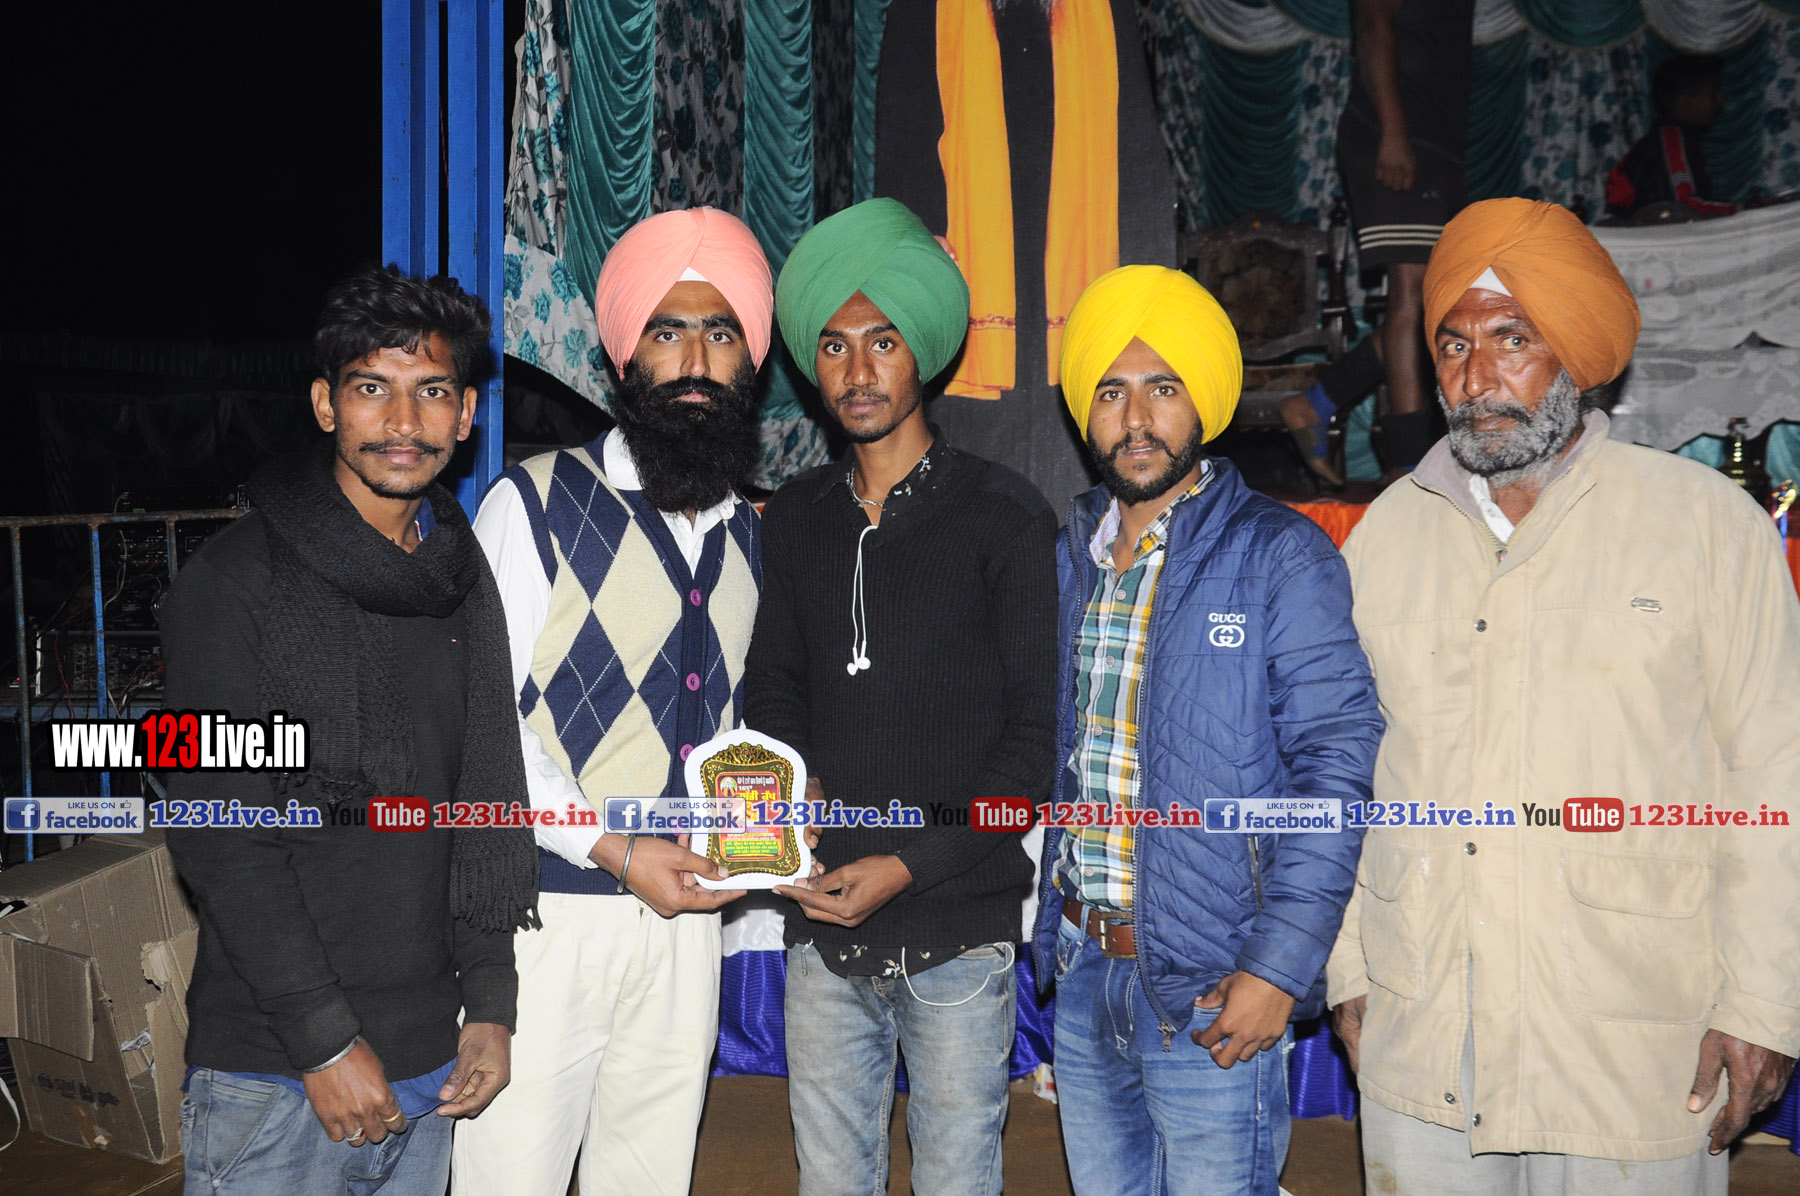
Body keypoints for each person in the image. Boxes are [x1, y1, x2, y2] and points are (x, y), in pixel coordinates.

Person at [1327, 197, 1800, 1195]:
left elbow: (1775, 774)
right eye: (1453, 344)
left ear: (1577, 354)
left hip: (1632, 1039)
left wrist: (1763, 1001)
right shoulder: (1386, 538)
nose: (1476, 377)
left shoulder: (1705, 526)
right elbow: (1339, 770)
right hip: (1429, 1032)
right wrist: (1348, 967)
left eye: (1513, 339)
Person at [162, 265, 540, 1196]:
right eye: (373, 388)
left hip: (431, 1063)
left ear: (466, 414)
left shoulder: (460, 581)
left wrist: (491, 1004)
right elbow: (219, 834)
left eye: (432, 391)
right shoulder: (232, 582)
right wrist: (323, 1040)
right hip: (276, 1073)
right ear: (327, 404)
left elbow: (481, 802)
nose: (403, 421)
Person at [1029, 265, 1382, 1196]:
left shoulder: (1279, 553)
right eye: (1111, 391)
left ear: (1205, 404)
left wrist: (1278, 968)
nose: (1137, 418)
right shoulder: (1070, 558)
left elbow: (1334, 769)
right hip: (1085, 967)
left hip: (1214, 986)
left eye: (1164, 387)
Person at [452, 208, 772, 1196]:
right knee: (509, 1180)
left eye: (721, 333)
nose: (694, 361)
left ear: (751, 360)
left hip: (689, 923)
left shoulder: (753, 535)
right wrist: (612, 847)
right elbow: (483, 723)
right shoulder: (534, 502)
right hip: (546, 916)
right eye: (668, 331)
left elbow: (738, 730)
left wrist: (763, 840)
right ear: (626, 354)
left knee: (649, 1178)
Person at [746, 196, 1059, 1196]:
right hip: (821, 925)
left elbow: (1032, 750)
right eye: (834, 346)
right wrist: (791, 803)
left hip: (959, 932)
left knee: (957, 1180)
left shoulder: (1005, 516)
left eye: (882, 342)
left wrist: (906, 864)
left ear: (920, 349)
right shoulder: (796, 515)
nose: (857, 371)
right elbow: (774, 691)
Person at [1281, 0, 1476, 485]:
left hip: (1436, 142)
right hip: (1399, 135)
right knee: (1412, 298)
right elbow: (1373, 26)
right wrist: (1393, 132)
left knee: (1436, 305)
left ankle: (1318, 401)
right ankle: (1408, 464)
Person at [1607, 55, 1739, 222]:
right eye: (1713, 94)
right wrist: (1741, 211)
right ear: (1685, 103)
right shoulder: (1672, 141)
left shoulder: (1676, 140)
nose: (1720, 100)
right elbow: (1683, 205)